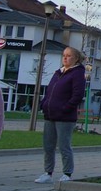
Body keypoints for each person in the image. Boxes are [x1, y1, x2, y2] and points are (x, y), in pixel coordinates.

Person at [35, 46, 86, 183]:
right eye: (64, 55)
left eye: (69, 56)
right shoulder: (58, 72)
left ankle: (67, 173)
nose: (65, 58)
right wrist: (44, 104)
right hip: (50, 114)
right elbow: (49, 91)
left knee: (64, 145)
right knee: (48, 146)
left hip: (65, 117)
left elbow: (78, 95)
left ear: (76, 58)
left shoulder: (77, 73)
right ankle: (48, 172)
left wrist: (66, 108)